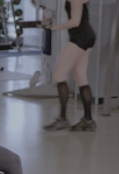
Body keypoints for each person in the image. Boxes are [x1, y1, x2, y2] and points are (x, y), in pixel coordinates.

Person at [42, 0, 96, 131]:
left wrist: (54, 27)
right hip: (86, 36)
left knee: (58, 75)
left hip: (80, 38)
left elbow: (75, 21)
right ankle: (88, 121)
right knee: (80, 78)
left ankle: (63, 119)